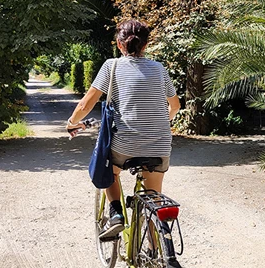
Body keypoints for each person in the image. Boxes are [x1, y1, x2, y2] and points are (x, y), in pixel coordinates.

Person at [66, 20, 182, 241]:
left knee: (108, 167)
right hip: (159, 145)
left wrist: (72, 122)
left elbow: (85, 105)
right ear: (146, 45)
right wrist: (160, 122)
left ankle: (117, 214)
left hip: (124, 144)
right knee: (153, 198)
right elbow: (175, 106)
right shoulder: (159, 69)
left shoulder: (111, 66)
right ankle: (155, 251)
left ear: (119, 44)